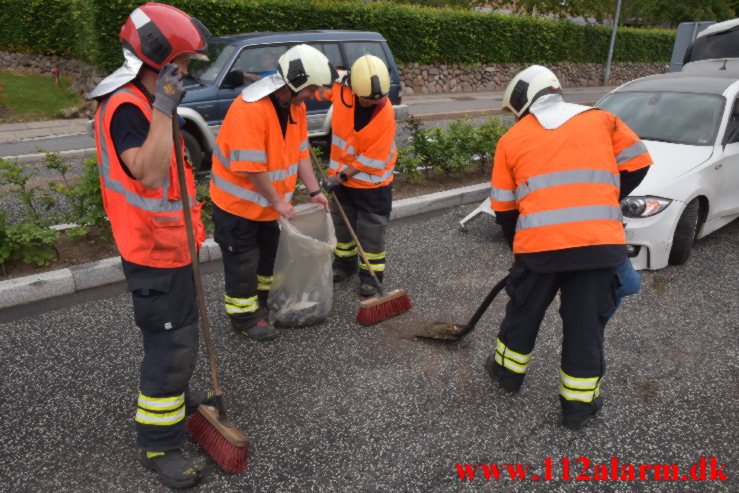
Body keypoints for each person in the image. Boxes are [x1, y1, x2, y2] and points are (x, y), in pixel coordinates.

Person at [486, 65, 652, 430]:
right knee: (584, 326)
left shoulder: (511, 140)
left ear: (522, 101)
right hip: (599, 246)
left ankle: (507, 377)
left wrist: (522, 247)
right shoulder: (602, 119)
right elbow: (639, 163)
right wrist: (604, 199)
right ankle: (577, 409)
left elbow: (504, 210)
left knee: (524, 313)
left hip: (539, 248)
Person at [89, 2, 213, 488]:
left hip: (171, 247)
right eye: (181, 63)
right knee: (171, 346)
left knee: (179, 334)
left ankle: (175, 399)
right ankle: (159, 442)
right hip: (152, 253)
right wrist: (165, 107)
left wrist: (164, 107)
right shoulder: (127, 107)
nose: (185, 72)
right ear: (159, 61)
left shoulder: (146, 103)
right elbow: (149, 171)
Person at [210, 44, 332, 341]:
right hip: (237, 207)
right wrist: (278, 201)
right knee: (243, 264)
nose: (314, 95)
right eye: (312, 88)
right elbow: (251, 167)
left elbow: (301, 151)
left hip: (268, 207)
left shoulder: (295, 107)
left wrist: (314, 190)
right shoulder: (249, 110)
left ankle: (265, 300)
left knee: (269, 258)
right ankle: (244, 317)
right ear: (294, 84)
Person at [318, 55, 397, 297]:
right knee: (343, 226)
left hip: (372, 185)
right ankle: (344, 264)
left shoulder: (385, 115)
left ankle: (370, 277)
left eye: (377, 99)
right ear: (352, 87)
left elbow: (371, 158)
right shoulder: (341, 87)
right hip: (341, 181)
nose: (370, 104)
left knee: (370, 232)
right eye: (364, 100)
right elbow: (319, 89)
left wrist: (339, 178)